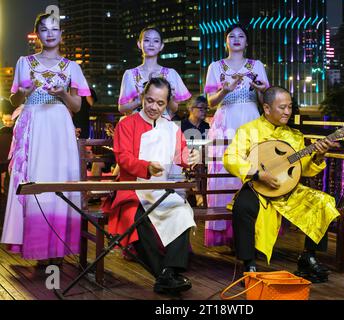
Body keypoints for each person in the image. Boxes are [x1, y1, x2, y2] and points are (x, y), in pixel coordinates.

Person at [223, 86, 340, 283]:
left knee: (323, 202)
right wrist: (258, 174)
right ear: (267, 108)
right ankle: (248, 263)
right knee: (242, 207)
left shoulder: (295, 136)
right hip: (258, 187)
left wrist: (319, 154)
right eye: (282, 107)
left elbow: (304, 169)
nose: (288, 112)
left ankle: (308, 256)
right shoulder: (248, 130)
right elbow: (230, 158)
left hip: (286, 190)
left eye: (290, 107)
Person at [1, 13, 90, 266]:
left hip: (60, 126)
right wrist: (25, 93)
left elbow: (75, 106)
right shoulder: (24, 62)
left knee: (59, 181)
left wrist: (63, 93)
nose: (50, 34)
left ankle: (58, 249)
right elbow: (15, 100)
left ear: (62, 34)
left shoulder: (72, 67)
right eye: (44, 29)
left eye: (55, 29)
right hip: (34, 124)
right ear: (37, 33)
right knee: (36, 180)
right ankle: (38, 247)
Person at [103, 78, 200, 295]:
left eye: (160, 103)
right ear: (141, 98)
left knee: (182, 211)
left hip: (162, 189)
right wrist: (146, 167)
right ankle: (165, 275)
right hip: (131, 188)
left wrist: (191, 156)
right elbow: (123, 158)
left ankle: (168, 272)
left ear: (167, 104)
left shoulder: (172, 129)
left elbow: (181, 155)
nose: (154, 107)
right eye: (149, 101)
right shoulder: (126, 124)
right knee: (136, 219)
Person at [204, 23, 269, 247]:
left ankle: (253, 231)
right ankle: (228, 233)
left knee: (251, 171)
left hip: (251, 120)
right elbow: (211, 103)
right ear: (226, 41)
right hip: (225, 122)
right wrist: (226, 90)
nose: (237, 39)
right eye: (232, 36)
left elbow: (264, 101)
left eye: (241, 36)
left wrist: (261, 90)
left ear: (247, 42)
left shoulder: (257, 65)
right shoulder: (215, 66)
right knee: (225, 172)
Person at [118, 27, 191, 120]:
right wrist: (139, 101)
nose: (151, 44)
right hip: (137, 125)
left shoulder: (171, 74)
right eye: (147, 40)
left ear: (161, 46)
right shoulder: (130, 74)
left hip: (162, 126)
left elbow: (174, 108)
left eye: (156, 41)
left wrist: (170, 97)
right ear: (139, 44)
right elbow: (121, 108)